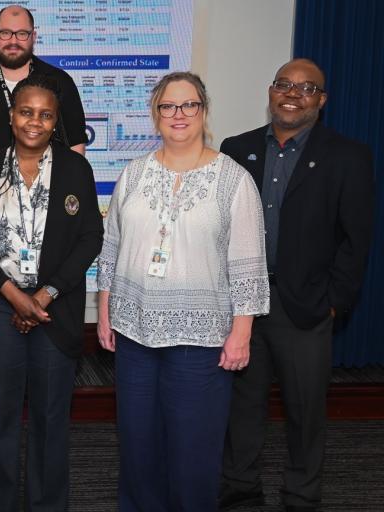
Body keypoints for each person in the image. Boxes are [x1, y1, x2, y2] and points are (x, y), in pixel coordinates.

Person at [95, 72, 270, 511]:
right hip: (135, 334)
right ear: (156, 115)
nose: (178, 115)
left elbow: (248, 262)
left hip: (202, 344)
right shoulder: (134, 174)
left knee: (193, 455)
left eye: (188, 105)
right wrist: (104, 311)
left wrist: (241, 332)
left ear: (203, 110)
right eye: (168, 106)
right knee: (138, 448)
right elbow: (111, 247)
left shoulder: (233, 180)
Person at [219, 59, 376, 512]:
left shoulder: (348, 155)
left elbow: (356, 239)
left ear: (321, 100)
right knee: (242, 405)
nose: (292, 93)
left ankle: (302, 494)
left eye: (306, 88)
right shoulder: (237, 148)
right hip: (244, 302)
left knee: (305, 410)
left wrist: (334, 303)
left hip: (305, 307)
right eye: (283, 84)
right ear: (270, 91)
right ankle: (239, 488)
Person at [0, 75, 103, 511]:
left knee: (49, 418)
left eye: (45, 115)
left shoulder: (76, 168)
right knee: (2, 417)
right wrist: (13, 295)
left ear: (55, 120)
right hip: (2, 309)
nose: (34, 122)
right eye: (26, 112)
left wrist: (42, 297)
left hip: (53, 313)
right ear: (11, 115)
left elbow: (90, 238)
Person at [0, 4, 87, 155]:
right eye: (5, 33)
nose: (13, 41)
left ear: (34, 37)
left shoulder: (60, 82)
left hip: (48, 178)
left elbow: (76, 146)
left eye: (22, 33)